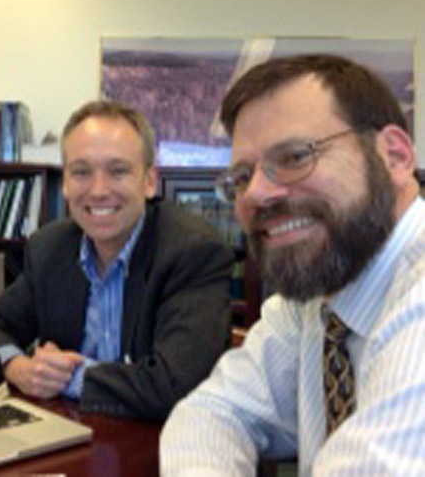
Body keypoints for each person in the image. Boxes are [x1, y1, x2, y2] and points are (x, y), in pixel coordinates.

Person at [160, 54, 425, 476]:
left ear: (393, 156)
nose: (257, 195)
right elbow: (212, 412)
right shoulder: (316, 297)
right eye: (242, 177)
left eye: (295, 156)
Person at [0, 100, 234, 420]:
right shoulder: (48, 248)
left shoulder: (193, 252)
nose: (98, 190)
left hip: (159, 445)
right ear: (64, 183)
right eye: (81, 172)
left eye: (118, 171)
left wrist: (67, 377)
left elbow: (174, 385)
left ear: (149, 181)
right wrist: (18, 366)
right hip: (71, 436)